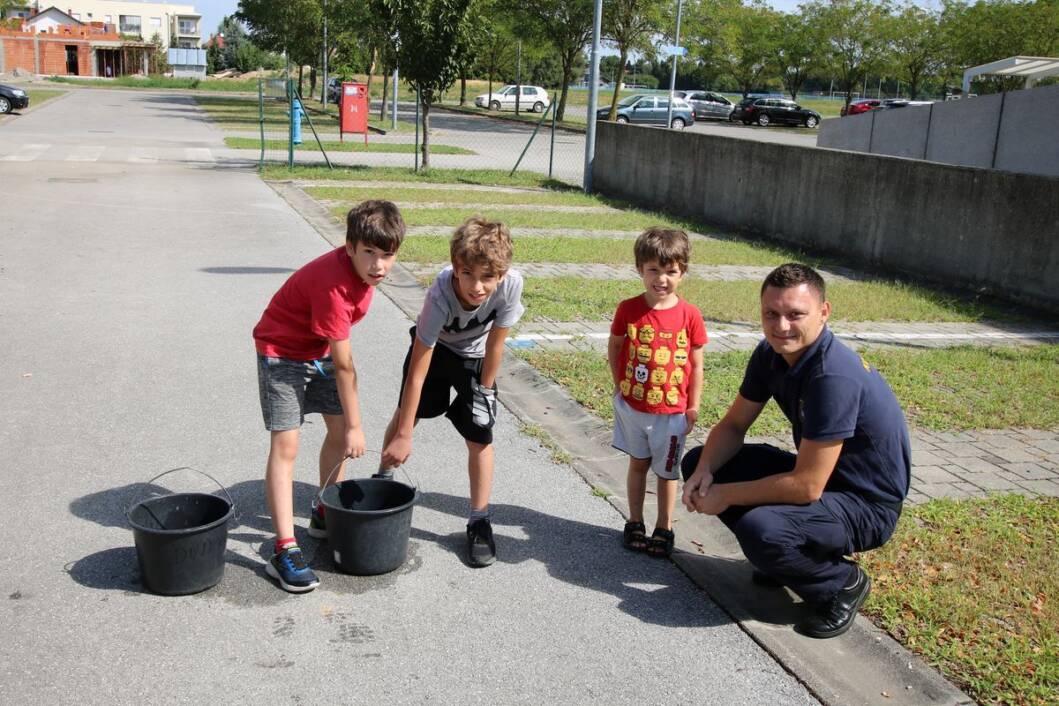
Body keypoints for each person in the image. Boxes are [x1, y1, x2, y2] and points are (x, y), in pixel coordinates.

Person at [681, 263, 910, 638]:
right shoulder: (771, 353)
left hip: (866, 504)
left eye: (795, 314)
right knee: (698, 462)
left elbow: (806, 487)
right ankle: (783, 561)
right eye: (771, 314)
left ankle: (841, 582)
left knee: (763, 530)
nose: (781, 325)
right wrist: (706, 470)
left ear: (824, 312)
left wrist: (723, 495)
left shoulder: (832, 376)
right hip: (826, 479)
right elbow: (735, 425)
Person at [253, 200, 405, 593]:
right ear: (349, 247)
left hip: (317, 349)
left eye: (387, 255)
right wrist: (358, 426)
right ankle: (284, 548)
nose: (379, 265)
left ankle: (323, 509)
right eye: (369, 253)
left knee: (337, 433)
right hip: (282, 352)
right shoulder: (333, 286)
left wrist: (348, 428)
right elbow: (345, 367)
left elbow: (340, 359)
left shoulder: (364, 277)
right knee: (287, 444)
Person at [379, 216, 524, 568]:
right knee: (407, 413)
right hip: (435, 352)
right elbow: (417, 370)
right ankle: (382, 480)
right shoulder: (440, 293)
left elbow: (495, 345)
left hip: (474, 357)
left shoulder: (511, 285)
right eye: (469, 274)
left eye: (487, 277)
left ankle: (479, 519)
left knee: (480, 437)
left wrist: (485, 394)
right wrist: (404, 434)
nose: (477, 286)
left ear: (501, 275)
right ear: (456, 268)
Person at [608, 227, 706, 558]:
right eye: (653, 270)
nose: (661, 279)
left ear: (682, 272)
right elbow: (616, 346)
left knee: (667, 473)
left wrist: (693, 407)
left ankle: (664, 526)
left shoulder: (690, 315)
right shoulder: (628, 308)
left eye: (671, 271)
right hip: (634, 409)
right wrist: (618, 383)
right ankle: (634, 521)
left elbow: (696, 364)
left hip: (672, 415)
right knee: (638, 464)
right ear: (640, 269)